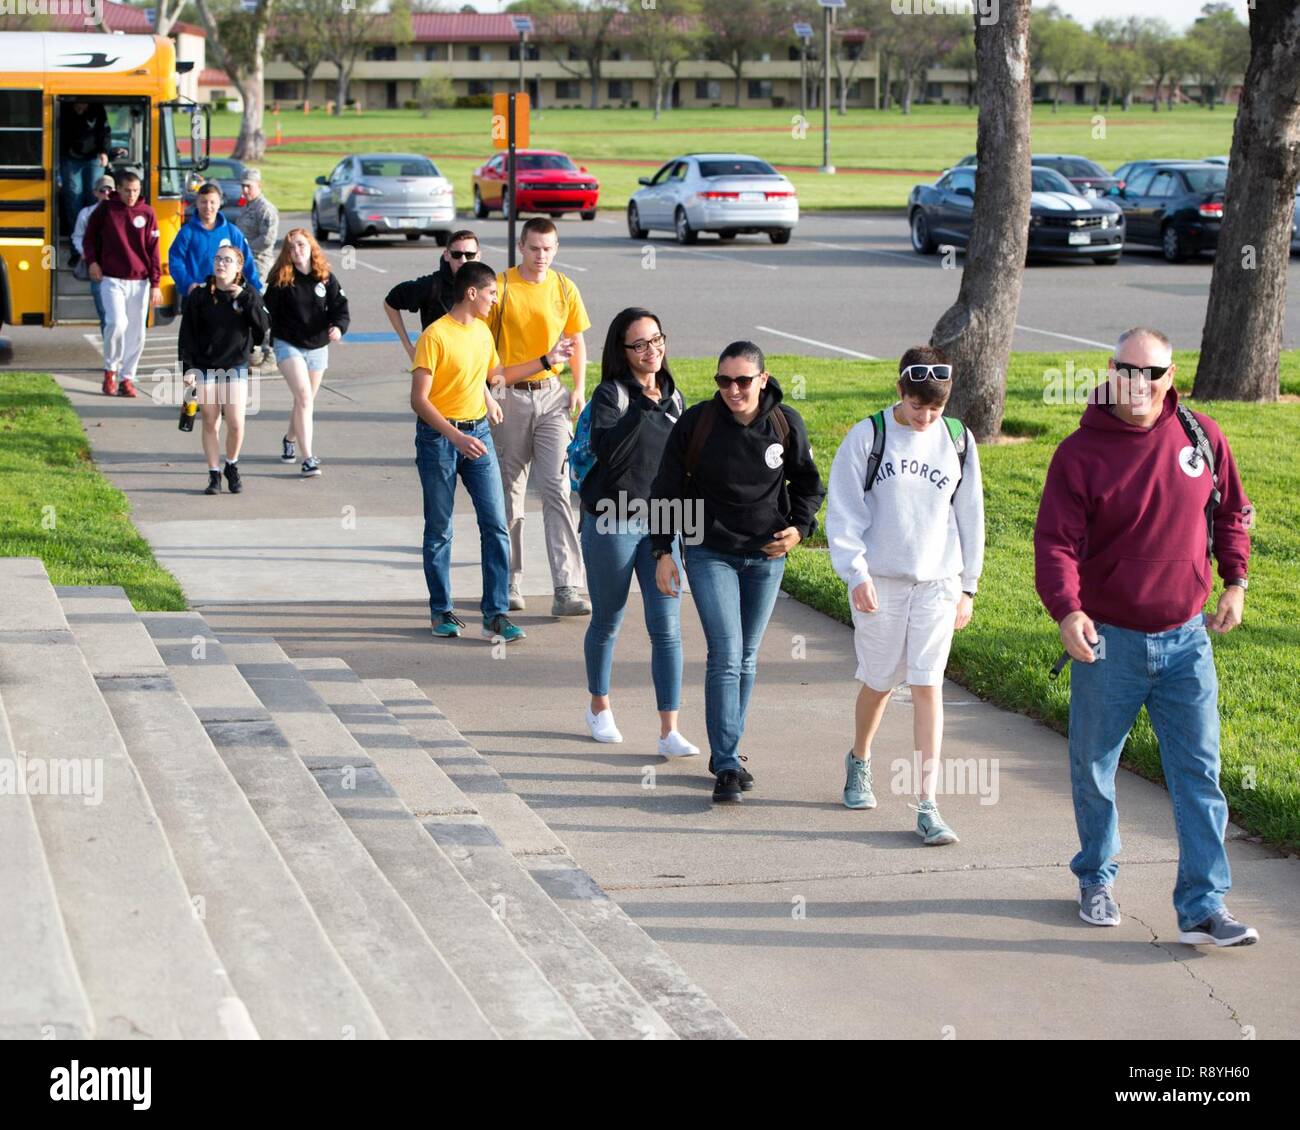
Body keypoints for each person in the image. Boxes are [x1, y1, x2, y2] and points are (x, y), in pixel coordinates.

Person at [1034, 326, 1258, 947]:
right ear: (1111, 371)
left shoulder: (1201, 436)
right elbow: (1055, 542)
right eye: (1126, 369)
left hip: (1187, 639)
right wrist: (1067, 609)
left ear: (1170, 376)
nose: (1138, 383)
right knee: (1094, 766)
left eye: (1152, 373)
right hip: (1111, 641)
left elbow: (1232, 511)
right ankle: (1096, 879)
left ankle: (1204, 907)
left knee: (1198, 773)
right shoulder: (1080, 453)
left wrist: (1234, 582)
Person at [651, 341, 824, 804]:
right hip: (709, 552)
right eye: (723, 381)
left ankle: (728, 750)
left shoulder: (785, 424)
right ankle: (726, 763)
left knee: (746, 656)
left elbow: (809, 483)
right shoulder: (699, 423)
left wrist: (799, 530)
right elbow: (667, 486)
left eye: (742, 381)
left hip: (766, 556)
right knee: (726, 654)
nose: (732, 390)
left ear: (763, 380)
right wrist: (662, 551)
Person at [825, 347, 985, 846]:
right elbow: (844, 514)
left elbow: (970, 517)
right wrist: (856, 575)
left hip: (937, 583)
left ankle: (928, 804)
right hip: (882, 581)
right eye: (919, 407)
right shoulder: (867, 436)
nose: (926, 417)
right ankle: (860, 758)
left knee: (927, 685)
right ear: (901, 392)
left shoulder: (958, 440)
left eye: (935, 408)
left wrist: (967, 586)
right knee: (879, 681)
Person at [411, 259, 574, 643]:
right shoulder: (435, 337)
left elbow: (494, 376)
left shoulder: (482, 332)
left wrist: (543, 363)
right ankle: (441, 611)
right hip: (440, 440)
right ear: (472, 293)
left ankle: (495, 614)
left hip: (477, 434)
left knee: (496, 524)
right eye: (491, 293)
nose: (494, 300)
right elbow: (419, 400)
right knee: (440, 529)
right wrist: (454, 436)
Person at [578, 307, 699, 758]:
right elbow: (608, 450)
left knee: (667, 627)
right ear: (623, 351)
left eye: (657, 340)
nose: (652, 351)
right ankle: (599, 705)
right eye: (641, 344)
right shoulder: (611, 394)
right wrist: (643, 408)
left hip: (663, 522)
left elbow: (683, 465)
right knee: (608, 619)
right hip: (611, 517)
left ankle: (669, 729)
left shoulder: (676, 395)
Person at [488, 217, 592, 618]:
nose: (541, 256)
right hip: (508, 397)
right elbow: (485, 357)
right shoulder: (502, 287)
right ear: (521, 246)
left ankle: (567, 586)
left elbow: (577, 340)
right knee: (510, 493)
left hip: (552, 397)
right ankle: (510, 580)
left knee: (557, 488)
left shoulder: (565, 287)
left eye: (548, 248)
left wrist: (578, 386)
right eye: (534, 248)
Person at [178, 246, 268, 496]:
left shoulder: (248, 293)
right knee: (209, 420)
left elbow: (262, 328)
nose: (221, 264)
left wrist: (244, 299)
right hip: (205, 367)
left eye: (227, 260)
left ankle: (232, 464)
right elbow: (187, 334)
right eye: (217, 259)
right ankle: (214, 473)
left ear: (239, 266)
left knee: (237, 423)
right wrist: (187, 369)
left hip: (235, 366)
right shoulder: (200, 295)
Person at [262, 228, 349, 477]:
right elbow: (266, 313)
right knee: (304, 397)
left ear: (311, 247)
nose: (296, 250)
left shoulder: (325, 278)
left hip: (318, 346)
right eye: (291, 247)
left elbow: (340, 308)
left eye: (301, 245)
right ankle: (308, 458)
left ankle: (290, 438)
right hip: (288, 344)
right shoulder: (281, 279)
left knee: (305, 400)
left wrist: (338, 328)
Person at [82, 169, 161, 398]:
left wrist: (155, 283)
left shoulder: (147, 213)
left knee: (137, 333)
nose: (132, 195)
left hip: (140, 281)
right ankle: (111, 370)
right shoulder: (106, 209)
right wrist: (93, 262)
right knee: (116, 323)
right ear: (118, 189)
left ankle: (127, 377)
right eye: (127, 190)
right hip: (111, 279)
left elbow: (153, 250)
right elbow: (89, 238)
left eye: (136, 190)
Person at [384, 229, 481, 360]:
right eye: (457, 254)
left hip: (476, 370)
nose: (463, 260)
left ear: (478, 256)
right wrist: (409, 348)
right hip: (436, 370)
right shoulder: (431, 285)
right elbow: (390, 302)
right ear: (447, 255)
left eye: (469, 255)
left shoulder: (486, 286)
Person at [170, 183, 262, 297]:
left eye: (212, 202)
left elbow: (246, 260)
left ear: (219, 204)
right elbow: (175, 260)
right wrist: (187, 284)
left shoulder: (232, 232)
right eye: (203, 202)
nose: (208, 206)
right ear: (197, 204)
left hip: (227, 295)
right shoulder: (187, 232)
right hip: (197, 295)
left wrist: (256, 289)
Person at [71, 174, 114, 335]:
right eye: (103, 190)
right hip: (98, 269)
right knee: (105, 315)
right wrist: (85, 254)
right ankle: (109, 351)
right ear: (95, 193)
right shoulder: (86, 213)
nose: (107, 194)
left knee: (121, 318)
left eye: (110, 189)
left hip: (120, 270)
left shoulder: (123, 212)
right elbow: (77, 236)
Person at [59, 100, 110, 233]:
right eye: (77, 105)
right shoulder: (63, 110)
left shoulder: (97, 108)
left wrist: (104, 151)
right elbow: (58, 134)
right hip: (70, 158)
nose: (80, 108)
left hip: (94, 157)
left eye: (83, 104)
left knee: (96, 195)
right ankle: (77, 244)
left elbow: (104, 131)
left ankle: (95, 239)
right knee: (74, 197)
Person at [233, 168, 280, 286]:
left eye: (249, 186)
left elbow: (267, 239)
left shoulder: (265, 209)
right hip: (243, 263)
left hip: (259, 265)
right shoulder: (247, 207)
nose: (244, 190)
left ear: (259, 185)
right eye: (242, 186)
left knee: (257, 299)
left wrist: (244, 250)